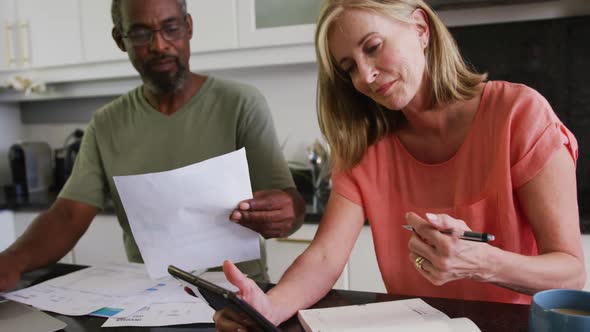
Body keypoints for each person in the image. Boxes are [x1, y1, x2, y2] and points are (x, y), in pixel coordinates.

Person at [213, 0, 587, 330]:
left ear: (421, 28)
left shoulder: (518, 115)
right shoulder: (365, 147)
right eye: (350, 68)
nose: (365, 76)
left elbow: (570, 274)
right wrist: (269, 306)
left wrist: (481, 262)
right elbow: (325, 258)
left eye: (373, 48)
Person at [0, 0, 305, 291]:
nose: (160, 45)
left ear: (188, 27)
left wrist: (287, 212)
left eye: (171, 28)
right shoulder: (106, 124)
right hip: (148, 296)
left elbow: (290, 206)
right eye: (142, 33)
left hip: (237, 292)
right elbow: (67, 217)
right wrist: (11, 261)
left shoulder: (240, 104)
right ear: (121, 40)